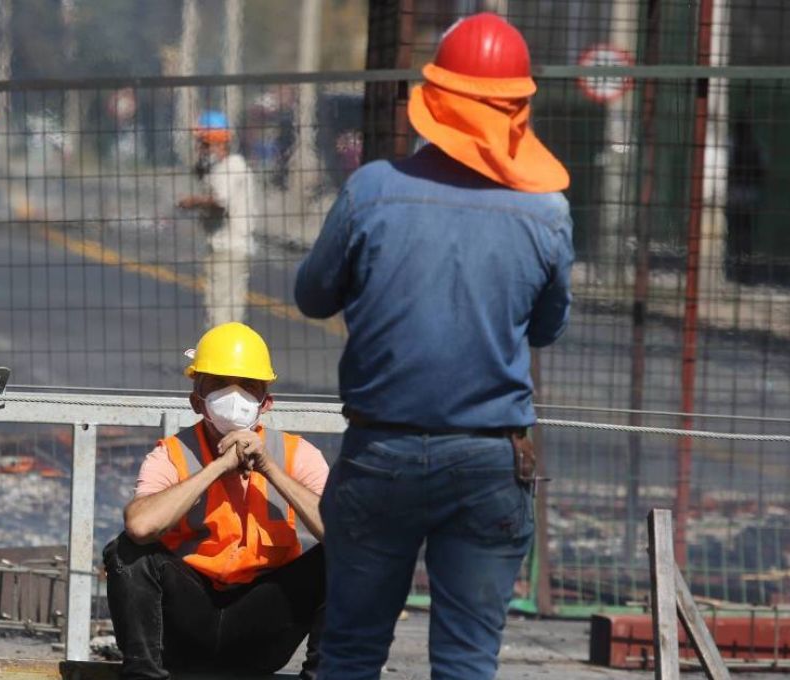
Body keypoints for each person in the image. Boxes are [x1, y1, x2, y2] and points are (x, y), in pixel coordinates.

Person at [294, 13, 573, 680]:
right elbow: (547, 327)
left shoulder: (371, 192)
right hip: (488, 459)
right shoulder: (546, 212)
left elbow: (312, 296)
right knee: (467, 660)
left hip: (380, 452)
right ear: (516, 109)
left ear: (435, 101)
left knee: (352, 649)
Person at [104, 322, 328, 680]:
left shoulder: (296, 454)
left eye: (249, 387)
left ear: (265, 402)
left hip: (261, 624)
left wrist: (268, 468)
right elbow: (141, 526)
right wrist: (219, 467)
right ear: (197, 401)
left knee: (344, 560)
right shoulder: (171, 454)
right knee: (126, 551)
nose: (234, 396)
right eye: (220, 385)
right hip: (189, 620)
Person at [178, 111, 259, 330]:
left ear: (215, 142)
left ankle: (218, 359)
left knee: (220, 308)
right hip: (224, 245)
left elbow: (220, 200)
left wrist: (192, 202)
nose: (200, 149)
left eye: (203, 143)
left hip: (230, 246)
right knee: (226, 306)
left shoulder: (232, 166)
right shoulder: (221, 167)